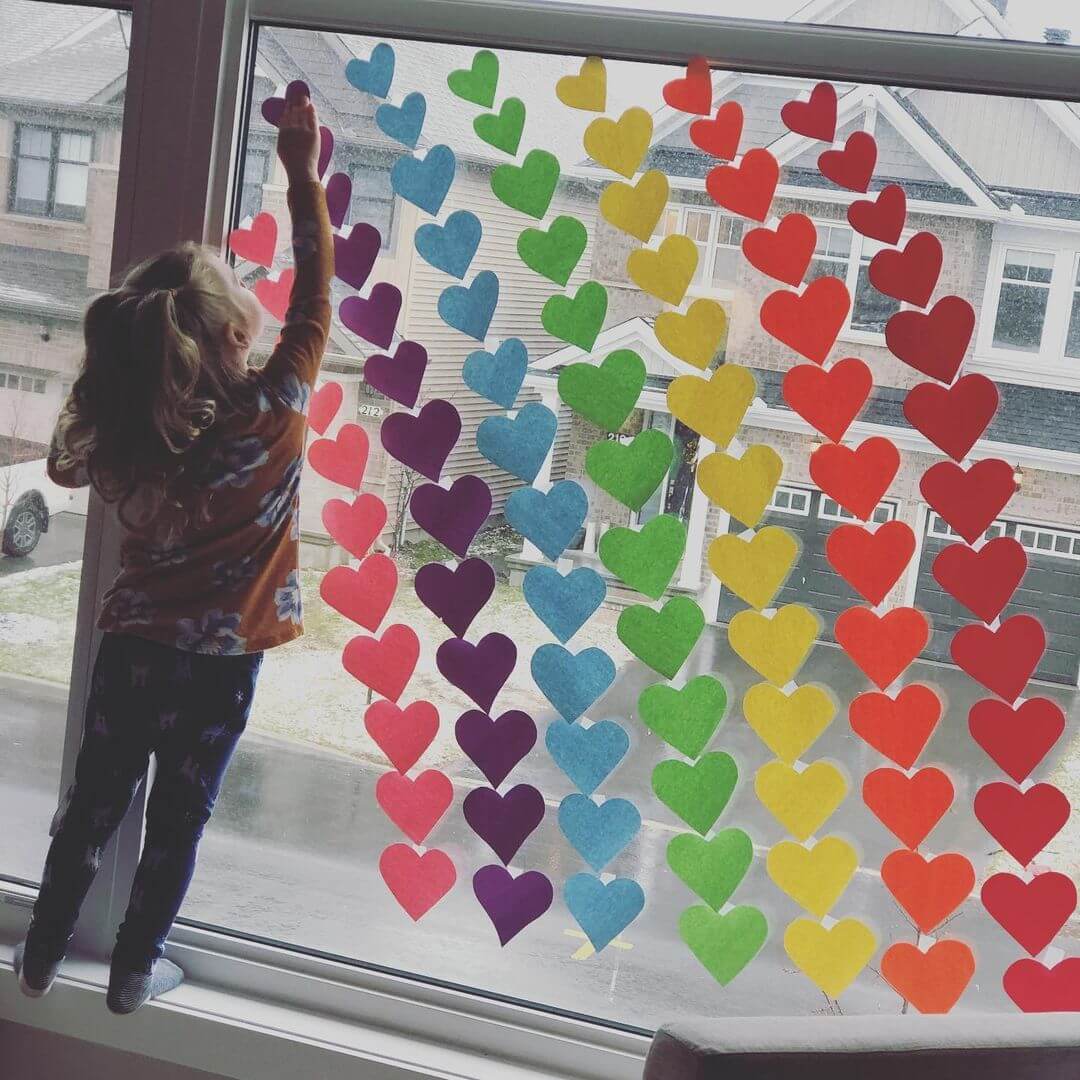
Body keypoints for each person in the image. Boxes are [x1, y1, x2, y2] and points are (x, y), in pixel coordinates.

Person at [13, 84, 333, 1014]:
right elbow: (316, 294)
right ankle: (128, 975)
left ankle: (37, 959)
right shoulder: (273, 414)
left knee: (93, 805)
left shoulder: (132, 430)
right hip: (220, 663)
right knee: (177, 820)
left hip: (134, 652)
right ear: (238, 335)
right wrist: (301, 171)